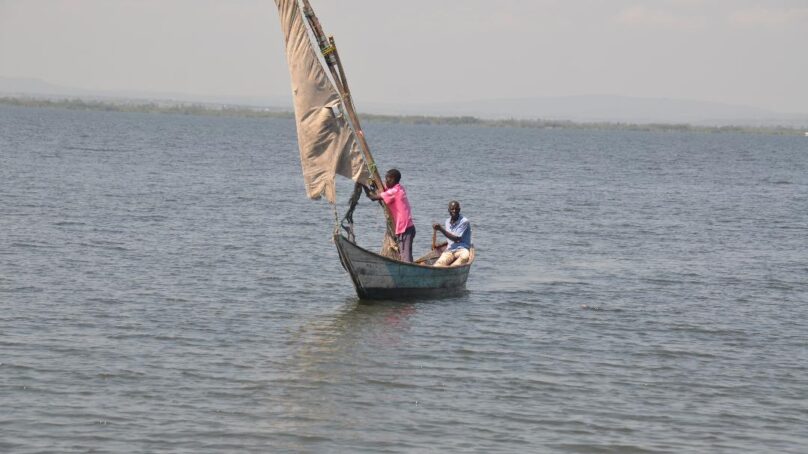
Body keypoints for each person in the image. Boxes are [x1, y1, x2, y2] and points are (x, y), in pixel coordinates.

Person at [363, 169, 416, 262]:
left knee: (405, 257)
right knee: (406, 255)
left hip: (405, 229)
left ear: (393, 179)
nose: (386, 181)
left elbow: (373, 197)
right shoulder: (399, 188)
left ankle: (408, 273)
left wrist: (363, 184)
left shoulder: (394, 192)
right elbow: (383, 189)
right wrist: (373, 184)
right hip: (408, 228)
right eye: (385, 178)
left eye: (388, 179)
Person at [432, 200, 471, 267]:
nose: (454, 211)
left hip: (462, 249)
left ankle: (452, 267)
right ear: (448, 210)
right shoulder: (447, 222)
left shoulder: (464, 221)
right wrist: (440, 245)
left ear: (459, 210)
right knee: (437, 265)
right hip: (450, 250)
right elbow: (450, 238)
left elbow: (456, 239)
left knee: (465, 257)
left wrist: (441, 229)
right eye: (452, 209)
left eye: (456, 209)